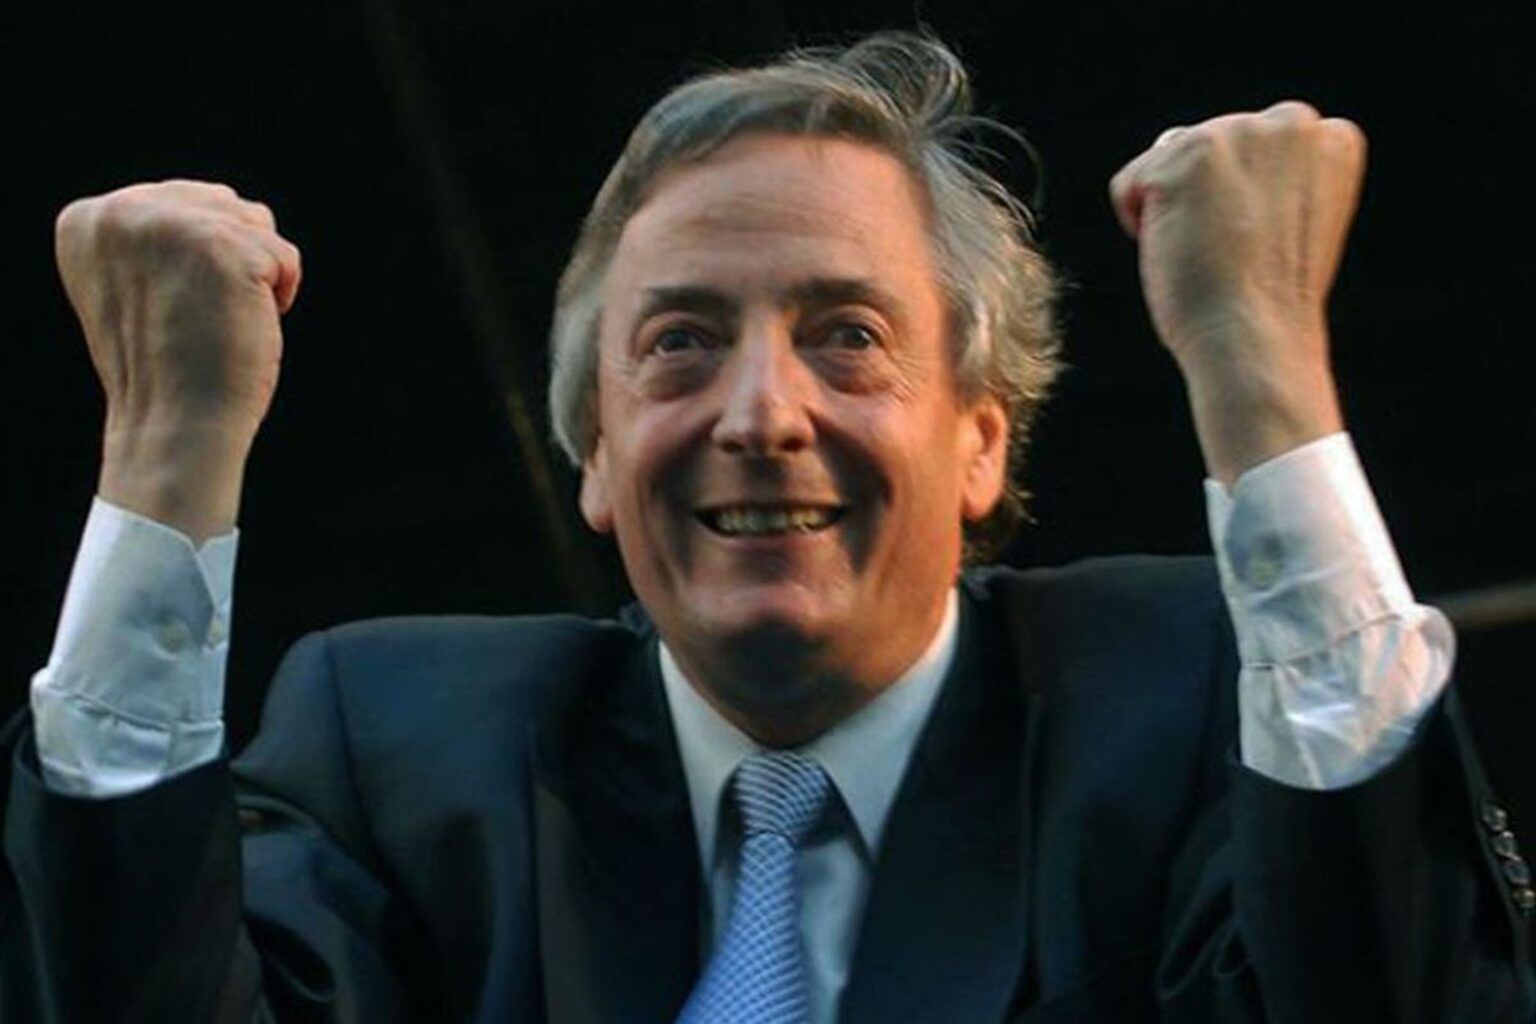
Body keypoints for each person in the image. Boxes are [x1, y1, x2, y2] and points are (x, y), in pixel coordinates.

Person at [1, 31, 1531, 1023]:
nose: (760, 413)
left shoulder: (1188, 692)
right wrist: (167, 453)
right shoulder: (396, 746)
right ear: (598, 457)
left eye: (847, 335)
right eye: (679, 343)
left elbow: (1395, 996)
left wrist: (1262, 372)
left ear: (980, 437)